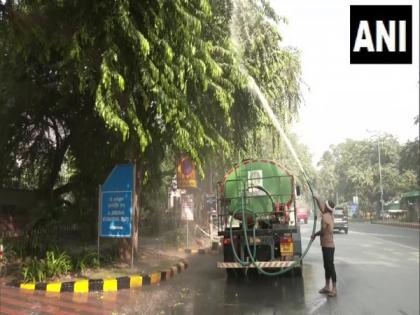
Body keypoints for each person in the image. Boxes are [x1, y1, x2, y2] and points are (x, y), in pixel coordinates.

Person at [311, 196, 337, 297]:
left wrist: (314, 235)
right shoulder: (329, 214)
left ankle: (334, 289)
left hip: (328, 246)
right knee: (326, 266)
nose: (323, 206)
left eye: (325, 205)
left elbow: (322, 231)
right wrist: (317, 199)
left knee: (330, 267)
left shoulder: (325, 217)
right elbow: (322, 208)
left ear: (327, 208)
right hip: (326, 245)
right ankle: (327, 287)